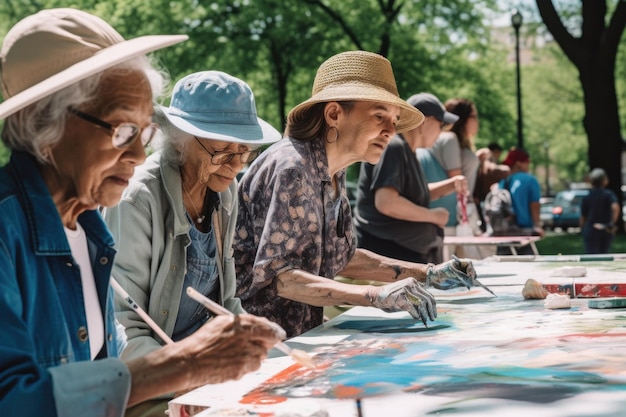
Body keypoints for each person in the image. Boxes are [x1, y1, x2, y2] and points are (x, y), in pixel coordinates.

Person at [0, 9, 285, 417]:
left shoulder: (88, 226)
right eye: (122, 131)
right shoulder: (7, 233)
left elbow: (101, 363)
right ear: (46, 121)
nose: (137, 155)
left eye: (144, 132)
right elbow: (12, 401)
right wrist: (186, 366)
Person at [233, 50, 481, 338]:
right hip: (260, 347)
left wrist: (429, 273)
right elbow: (280, 278)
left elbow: (342, 258)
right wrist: (374, 296)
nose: (391, 130)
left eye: (395, 119)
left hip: (297, 337)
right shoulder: (293, 166)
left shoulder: (333, 170)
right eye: (379, 116)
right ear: (334, 114)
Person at [103, 70, 283, 415]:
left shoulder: (223, 191)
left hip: (206, 376)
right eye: (221, 153)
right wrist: (190, 376)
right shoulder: (137, 199)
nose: (234, 167)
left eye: (243, 152)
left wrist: (256, 345)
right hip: (152, 381)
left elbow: (226, 302)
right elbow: (122, 327)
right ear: (180, 140)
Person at [354, 92, 466, 264]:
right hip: (387, 257)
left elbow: (409, 195)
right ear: (425, 121)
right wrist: (433, 216)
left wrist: (450, 185)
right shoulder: (394, 147)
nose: (441, 131)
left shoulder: (408, 151)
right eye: (441, 124)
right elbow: (387, 202)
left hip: (403, 254)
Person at [418, 98, 481, 259]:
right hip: (455, 217)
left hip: (451, 216)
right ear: (463, 118)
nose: (477, 121)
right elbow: (458, 181)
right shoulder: (450, 139)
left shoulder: (447, 141)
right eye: (474, 116)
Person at [495, 148, 545, 254]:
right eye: (527, 162)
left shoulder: (503, 181)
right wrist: (537, 225)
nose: (528, 165)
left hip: (504, 232)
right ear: (518, 163)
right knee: (527, 267)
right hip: (524, 232)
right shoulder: (530, 180)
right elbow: (534, 205)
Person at [580, 168, 619, 254]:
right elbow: (615, 207)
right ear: (604, 181)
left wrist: (582, 228)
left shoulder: (588, 196)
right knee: (604, 254)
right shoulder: (609, 194)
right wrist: (612, 223)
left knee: (592, 256)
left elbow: (583, 216)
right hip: (605, 228)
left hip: (591, 228)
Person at [474, 144, 510, 233]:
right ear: (495, 152)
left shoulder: (483, 164)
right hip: (487, 200)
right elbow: (502, 171)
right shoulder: (487, 163)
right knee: (491, 228)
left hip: (485, 199)